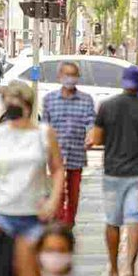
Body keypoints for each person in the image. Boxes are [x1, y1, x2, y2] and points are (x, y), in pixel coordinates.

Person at [90, 66, 138, 276]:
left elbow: (98, 138)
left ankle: (112, 269)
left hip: (112, 172)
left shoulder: (107, 106)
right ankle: (129, 268)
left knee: (112, 222)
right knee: (134, 222)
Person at [0, 80, 65, 241]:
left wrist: (53, 201)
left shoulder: (44, 133)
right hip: (0, 212)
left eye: (17, 108)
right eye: (10, 108)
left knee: (33, 264)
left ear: (28, 106)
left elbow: (58, 169)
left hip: (35, 214)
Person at [42, 62, 96, 229]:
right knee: (57, 192)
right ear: (59, 77)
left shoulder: (86, 100)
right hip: (55, 155)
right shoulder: (49, 99)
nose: (70, 79)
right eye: (66, 74)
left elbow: (90, 122)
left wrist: (91, 134)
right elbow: (45, 127)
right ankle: (58, 225)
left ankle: (68, 225)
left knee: (73, 193)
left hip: (76, 154)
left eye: (73, 75)